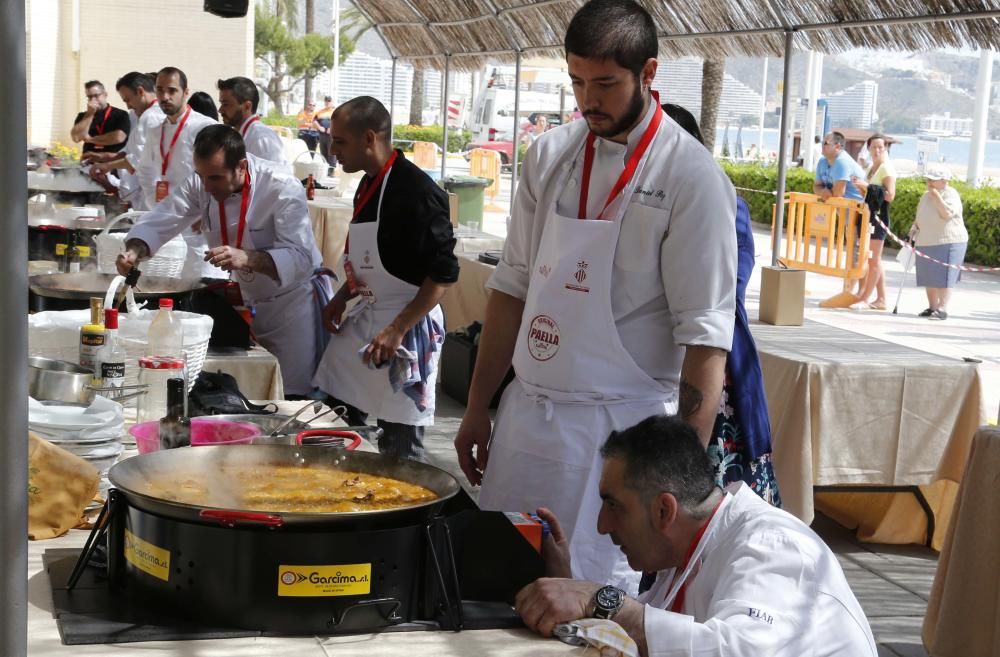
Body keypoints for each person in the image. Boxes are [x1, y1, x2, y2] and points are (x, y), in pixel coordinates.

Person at [454, 0, 737, 594]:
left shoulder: (692, 178)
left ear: (649, 73)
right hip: (529, 420)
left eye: (606, 84)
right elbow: (511, 288)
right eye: (578, 81)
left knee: (592, 606)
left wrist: (679, 481)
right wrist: (480, 405)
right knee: (499, 584)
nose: (589, 100)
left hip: (620, 438)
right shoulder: (550, 154)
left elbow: (705, 337)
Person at [515, 414, 878, 657]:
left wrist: (599, 598)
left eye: (613, 505)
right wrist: (568, 585)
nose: (601, 525)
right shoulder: (687, 553)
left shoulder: (773, 544)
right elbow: (646, 638)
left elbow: (738, 651)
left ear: (663, 510)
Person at [117, 125, 330, 395]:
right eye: (201, 176)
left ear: (241, 166)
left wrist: (248, 258)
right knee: (250, 394)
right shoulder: (202, 181)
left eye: (215, 178)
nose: (206, 186)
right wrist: (135, 249)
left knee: (291, 395)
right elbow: (165, 216)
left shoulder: (281, 186)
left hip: (290, 304)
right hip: (247, 300)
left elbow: (301, 258)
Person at [312, 96, 459, 461]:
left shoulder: (418, 192)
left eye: (340, 141)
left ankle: (405, 512)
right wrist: (341, 297)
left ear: (370, 138)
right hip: (368, 312)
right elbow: (367, 262)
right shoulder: (367, 184)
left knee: (400, 440)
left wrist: (398, 328)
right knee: (334, 415)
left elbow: (442, 274)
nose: (332, 150)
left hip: (408, 322)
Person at [661, 102, 780, 505]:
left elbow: (725, 292)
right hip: (659, 363)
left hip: (712, 372)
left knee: (705, 504)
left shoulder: (725, 205)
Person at [134, 66, 219, 278]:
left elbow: (219, 172)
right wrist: (156, 205)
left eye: (172, 90)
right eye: (160, 90)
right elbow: (144, 170)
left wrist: (208, 209)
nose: (165, 96)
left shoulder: (204, 126)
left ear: (186, 92)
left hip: (196, 220)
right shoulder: (156, 129)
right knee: (167, 281)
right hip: (166, 219)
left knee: (199, 278)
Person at [89, 72, 166, 211]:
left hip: (154, 191)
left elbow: (138, 159)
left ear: (140, 91)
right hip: (147, 191)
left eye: (128, 100)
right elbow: (130, 152)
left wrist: (108, 166)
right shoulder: (146, 115)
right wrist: (106, 161)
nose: (128, 106)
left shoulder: (152, 116)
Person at [912, 166, 966, 321]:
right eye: (928, 179)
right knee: (929, 275)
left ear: (944, 181)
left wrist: (936, 197)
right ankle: (932, 307)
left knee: (945, 276)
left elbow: (947, 214)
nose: (929, 182)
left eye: (933, 180)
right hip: (926, 240)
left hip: (949, 241)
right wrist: (914, 228)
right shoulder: (925, 196)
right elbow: (919, 215)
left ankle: (942, 308)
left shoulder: (951, 194)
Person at [850, 133, 896, 311]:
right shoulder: (871, 168)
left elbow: (890, 195)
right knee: (873, 259)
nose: (877, 150)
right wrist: (862, 187)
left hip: (879, 217)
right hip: (868, 215)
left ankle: (865, 298)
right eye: (874, 147)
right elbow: (870, 193)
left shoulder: (886, 168)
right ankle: (881, 299)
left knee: (874, 260)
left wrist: (867, 186)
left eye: (880, 147)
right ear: (868, 148)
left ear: (885, 149)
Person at [217, 76, 291, 173]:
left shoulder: (261, 139)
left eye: (225, 104)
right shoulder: (245, 134)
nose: (220, 110)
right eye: (221, 104)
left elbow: (278, 181)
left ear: (247, 106)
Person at [71, 80, 130, 160]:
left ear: (105, 95)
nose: (93, 100)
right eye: (89, 97)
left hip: (112, 163)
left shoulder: (120, 114)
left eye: (96, 96)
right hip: (88, 162)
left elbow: (118, 137)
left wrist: (90, 139)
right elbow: (76, 137)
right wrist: (89, 114)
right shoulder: (83, 116)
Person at [313, 95, 338, 169]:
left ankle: (331, 169)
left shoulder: (335, 111)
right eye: (326, 101)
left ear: (332, 102)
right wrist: (320, 127)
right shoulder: (320, 112)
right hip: (322, 135)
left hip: (332, 136)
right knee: (323, 153)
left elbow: (339, 122)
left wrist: (331, 128)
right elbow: (314, 121)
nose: (327, 102)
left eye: (329, 101)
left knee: (331, 153)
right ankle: (325, 169)